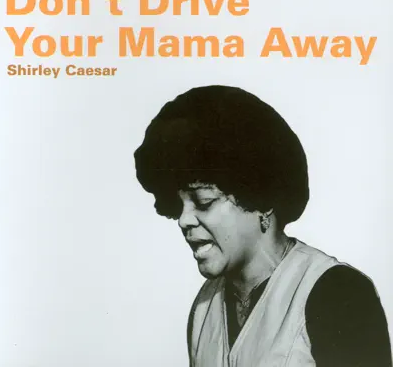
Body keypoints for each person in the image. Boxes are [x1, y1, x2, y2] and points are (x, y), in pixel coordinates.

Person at [134, 85, 392, 367]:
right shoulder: (204, 307)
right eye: (178, 205)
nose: (184, 220)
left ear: (261, 197)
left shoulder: (338, 295)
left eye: (204, 201)